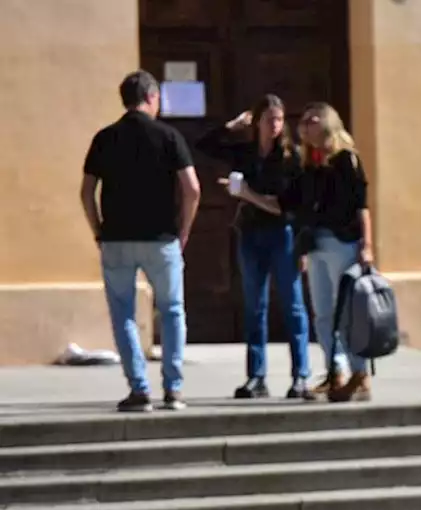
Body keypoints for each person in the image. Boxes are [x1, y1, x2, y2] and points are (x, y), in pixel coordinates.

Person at [80, 70, 201, 413]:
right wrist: (184, 231)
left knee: (123, 313)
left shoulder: (105, 138)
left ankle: (138, 389)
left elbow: (87, 191)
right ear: (151, 97)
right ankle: (174, 389)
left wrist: (98, 229)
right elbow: (192, 189)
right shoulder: (168, 136)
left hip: (116, 237)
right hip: (161, 238)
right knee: (173, 310)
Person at [196, 95, 312, 400]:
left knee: (293, 305)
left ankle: (301, 375)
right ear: (257, 121)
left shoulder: (291, 158)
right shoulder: (245, 153)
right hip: (250, 235)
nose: (274, 125)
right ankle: (256, 377)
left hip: (283, 236)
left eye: (279, 119)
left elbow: (286, 208)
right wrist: (232, 125)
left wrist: (248, 194)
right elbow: (205, 145)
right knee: (254, 306)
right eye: (269, 119)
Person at [281, 102, 375, 403]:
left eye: (312, 120)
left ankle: (360, 376)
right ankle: (336, 370)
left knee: (347, 313)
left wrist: (368, 245)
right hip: (316, 244)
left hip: (342, 242)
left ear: (327, 123)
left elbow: (362, 206)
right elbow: (296, 205)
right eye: (303, 122)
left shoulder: (346, 160)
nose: (305, 126)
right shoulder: (309, 164)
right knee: (323, 313)